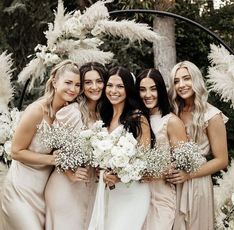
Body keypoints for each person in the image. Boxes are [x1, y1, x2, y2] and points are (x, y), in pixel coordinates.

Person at [0, 60, 81, 230]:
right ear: (54, 82)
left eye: (77, 84)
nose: (73, 89)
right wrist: (54, 159)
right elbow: (15, 151)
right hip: (20, 189)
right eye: (68, 82)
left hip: (42, 193)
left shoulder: (67, 113)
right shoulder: (36, 110)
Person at [45, 62, 107, 230]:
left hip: (90, 187)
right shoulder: (72, 112)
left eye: (99, 81)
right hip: (66, 187)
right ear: (82, 87)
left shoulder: (105, 114)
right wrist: (70, 173)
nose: (94, 87)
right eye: (88, 82)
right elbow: (54, 147)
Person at [167, 60, 228, 230]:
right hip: (173, 181)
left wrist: (189, 175)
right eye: (176, 81)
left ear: (196, 80)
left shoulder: (212, 115)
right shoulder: (173, 111)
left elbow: (222, 160)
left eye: (186, 78)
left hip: (197, 182)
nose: (181, 85)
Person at [100, 66, 152, 230]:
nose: (113, 90)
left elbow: (145, 162)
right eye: (110, 85)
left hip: (132, 193)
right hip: (110, 193)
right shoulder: (105, 118)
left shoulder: (138, 118)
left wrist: (120, 176)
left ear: (128, 90)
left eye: (120, 86)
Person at [135, 68, 187, 230]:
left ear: (161, 91)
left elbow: (182, 162)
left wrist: (158, 171)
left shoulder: (171, 121)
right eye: (142, 90)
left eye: (153, 89)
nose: (148, 95)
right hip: (135, 194)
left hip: (161, 196)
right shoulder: (134, 119)